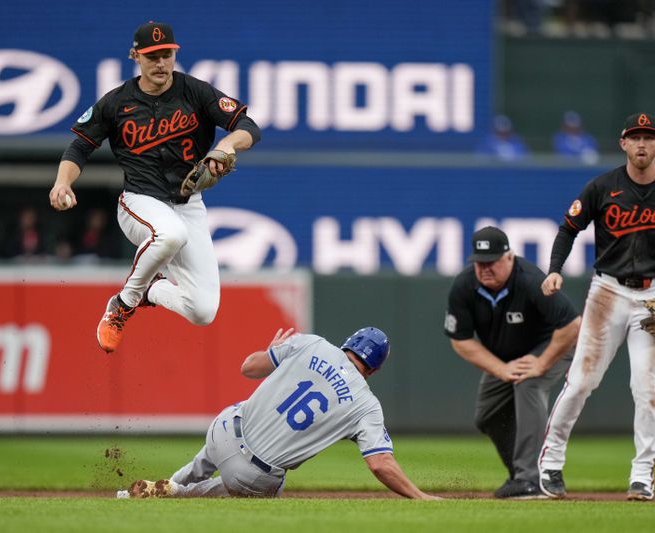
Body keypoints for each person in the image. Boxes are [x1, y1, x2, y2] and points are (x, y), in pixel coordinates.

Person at [48, 21, 261, 353]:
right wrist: (62, 182)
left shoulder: (196, 92)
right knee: (171, 234)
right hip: (139, 202)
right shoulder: (116, 102)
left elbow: (247, 126)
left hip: (188, 203)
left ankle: (150, 290)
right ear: (135, 56)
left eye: (167, 55)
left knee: (203, 310)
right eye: (152, 56)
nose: (161, 63)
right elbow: (79, 147)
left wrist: (227, 146)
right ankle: (123, 304)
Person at [538, 112, 655, 501]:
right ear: (624, 144)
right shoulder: (602, 186)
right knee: (581, 381)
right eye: (636, 137)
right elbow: (568, 228)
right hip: (608, 292)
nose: (642, 144)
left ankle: (642, 475)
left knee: (648, 389)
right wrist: (554, 269)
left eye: (649, 137)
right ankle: (550, 465)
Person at [121, 327, 439, 500]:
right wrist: (420, 496)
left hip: (224, 430)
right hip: (251, 476)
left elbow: (248, 368)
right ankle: (178, 493)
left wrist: (271, 352)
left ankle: (152, 491)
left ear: (348, 344)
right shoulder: (366, 404)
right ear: (374, 370)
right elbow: (380, 463)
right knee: (264, 486)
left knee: (204, 461)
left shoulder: (311, 343)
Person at [444, 226, 580, 499]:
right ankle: (520, 475)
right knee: (487, 415)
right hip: (506, 357)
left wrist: (541, 363)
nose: (485, 269)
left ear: (509, 257)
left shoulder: (530, 280)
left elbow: (573, 326)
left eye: (491, 261)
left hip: (552, 346)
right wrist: (500, 369)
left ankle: (533, 479)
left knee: (528, 382)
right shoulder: (464, 285)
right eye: (480, 263)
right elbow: (460, 339)